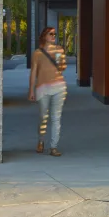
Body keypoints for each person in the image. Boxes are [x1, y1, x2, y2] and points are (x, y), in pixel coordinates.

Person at [29, 27, 67, 156]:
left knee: (56, 118)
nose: (53, 36)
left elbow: (62, 68)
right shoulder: (37, 53)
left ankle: (53, 147)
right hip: (42, 88)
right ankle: (41, 141)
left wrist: (60, 60)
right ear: (44, 36)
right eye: (50, 34)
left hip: (59, 87)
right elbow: (33, 72)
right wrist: (31, 90)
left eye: (55, 34)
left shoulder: (59, 50)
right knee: (43, 118)